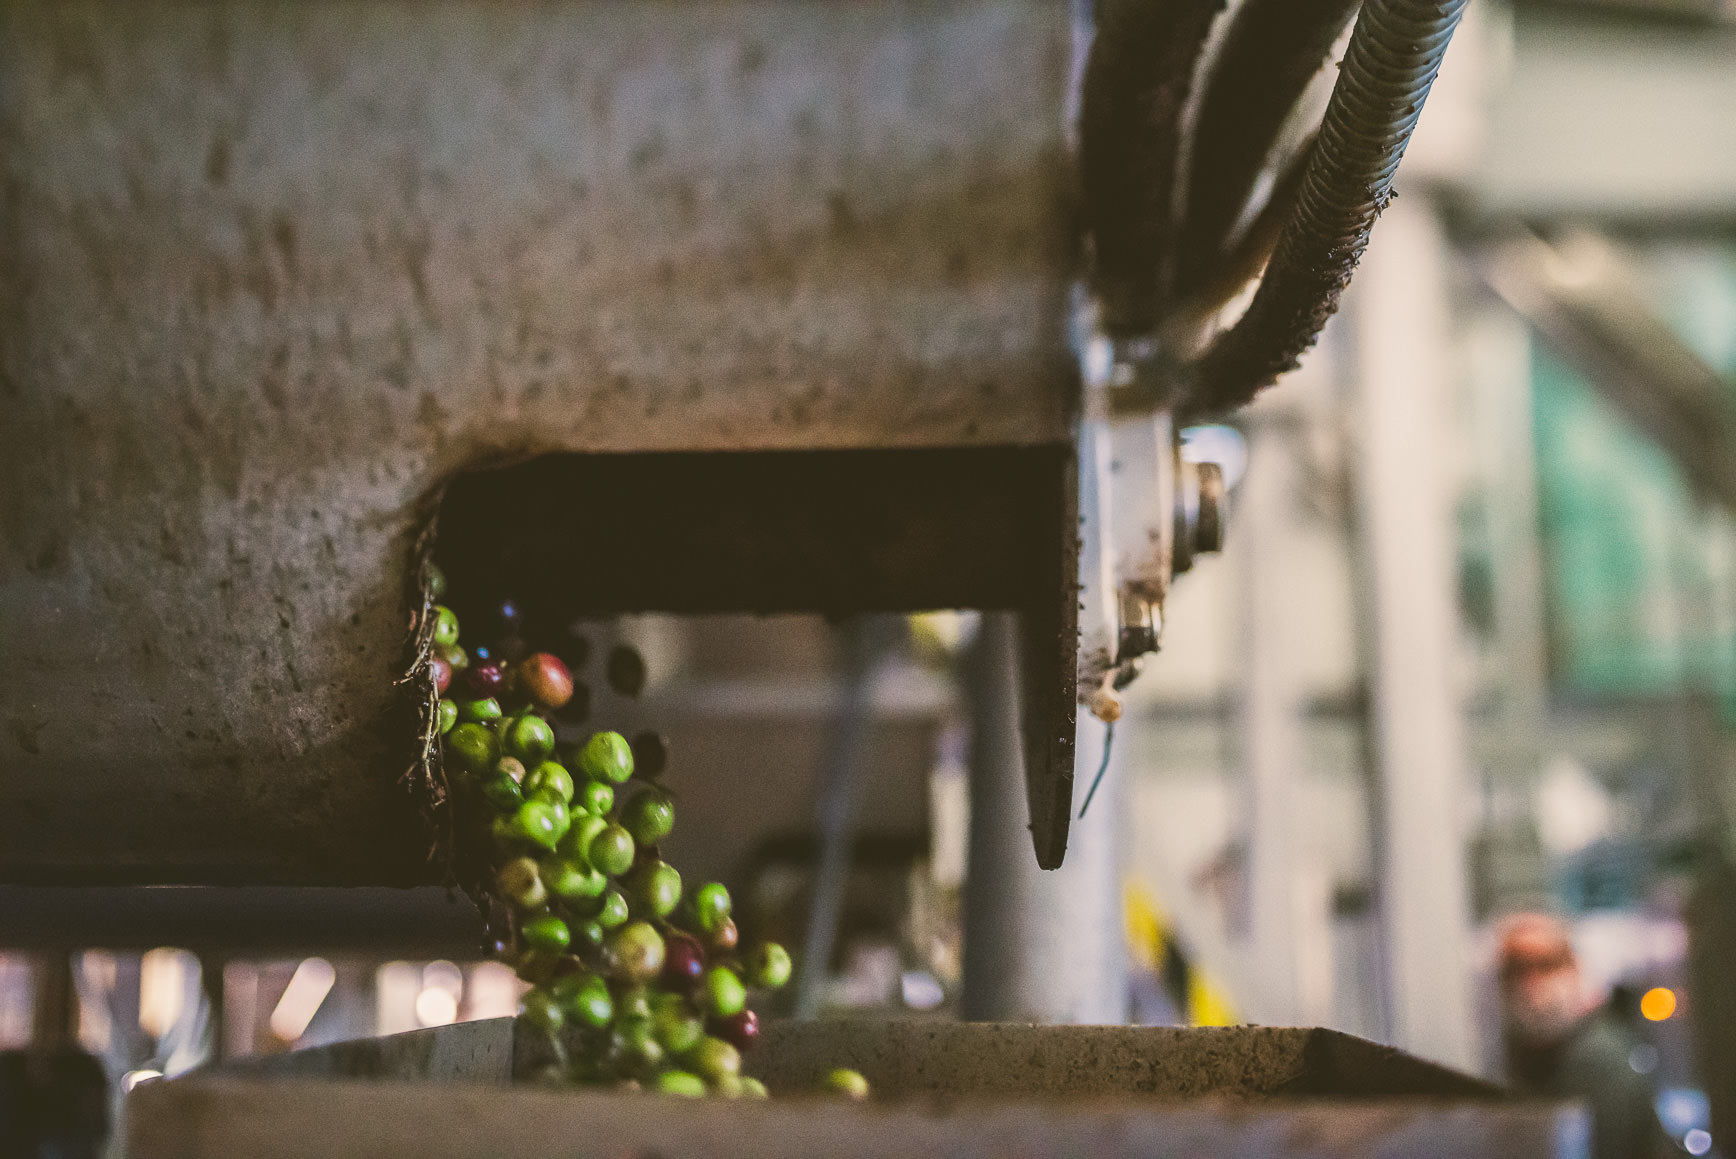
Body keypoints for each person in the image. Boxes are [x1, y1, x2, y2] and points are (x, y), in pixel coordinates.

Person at [1497, 912, 1669, 1159]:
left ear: (1574, 968)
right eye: (1516, 968)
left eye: (1545, 963)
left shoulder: (1602, 1061)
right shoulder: (1519, 1059)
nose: (1530, 982)